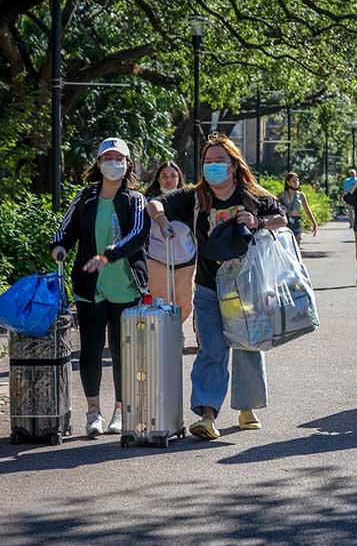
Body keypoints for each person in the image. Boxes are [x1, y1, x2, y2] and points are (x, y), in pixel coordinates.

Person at [147, 132, 287, 440]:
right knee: (211, 348)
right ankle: (208, 414)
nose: (212, 167)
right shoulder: (195, 197)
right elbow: (156, 202)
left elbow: (282, 218)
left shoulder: (252, 194)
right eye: (208, 162)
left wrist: (258, 223)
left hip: (247, 286)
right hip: (209, 286)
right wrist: (161, 221)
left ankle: (247, 407)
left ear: (233, 165)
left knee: (248, 345)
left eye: (219, 161)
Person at [51, 137, 150, 437]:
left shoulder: (135, 200)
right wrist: (59, 246)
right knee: (91, 349)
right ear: (98, 163)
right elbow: (66, 229)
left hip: (126, 287)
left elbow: (137, 234)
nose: (113, 162)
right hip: (90, 288)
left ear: (128, 163)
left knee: (123, 351)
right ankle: (93, 411)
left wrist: (109, 254)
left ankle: (121, 410)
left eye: (118, 157)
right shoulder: (85, 198)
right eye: (107, 157)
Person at [144, 161, 196, 322]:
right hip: (157, 256)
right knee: (161, 301)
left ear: (179, 178)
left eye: (173, 176)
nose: (168, 179)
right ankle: (164, 335)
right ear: (158, 179)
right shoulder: (148, 201)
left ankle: (174, 329)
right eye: (164, 176)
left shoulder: (189, 200)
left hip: (185, 257)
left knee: (185, 304)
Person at [278, 171, 318, 244]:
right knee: (286, 243)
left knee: (297, 243)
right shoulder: (282, 195)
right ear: (288, 182)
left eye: (297, 180)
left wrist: (314, 222)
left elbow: (307, 210)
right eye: (293, 181)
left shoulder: (301, 195)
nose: (296, 182)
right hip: (285, 221)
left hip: (296, 221)